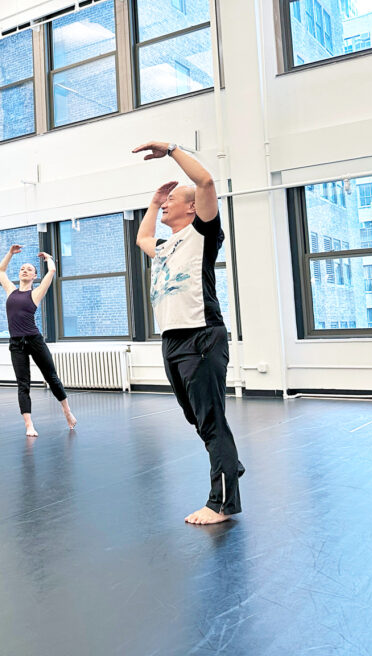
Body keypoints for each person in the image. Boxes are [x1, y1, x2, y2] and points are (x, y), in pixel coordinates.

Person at [133, 140, 243, 525]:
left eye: (172, 200)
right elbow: (142, 240)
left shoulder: (202, 234)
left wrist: (172, 151)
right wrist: (152, 202)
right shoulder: (166, 247)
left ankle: (222, 503)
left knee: (212, 421)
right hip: (173, 339)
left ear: (192, 207)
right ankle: (229, 462)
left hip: (201, 335)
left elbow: (207, 182)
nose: (165, 204)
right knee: (196, 417)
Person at [0, 245, 77, 436]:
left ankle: (67, 411)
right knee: (23, 384)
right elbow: (0, 270)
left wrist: (49, 257)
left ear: (34, 276)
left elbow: (53, 271)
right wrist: (9, 254)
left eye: (29, 269)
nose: (24, 270)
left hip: (34, 340)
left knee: (52, 377)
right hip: (16, 344)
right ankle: (29, 425)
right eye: (22, 268)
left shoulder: (36, 293)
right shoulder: (11, 291)